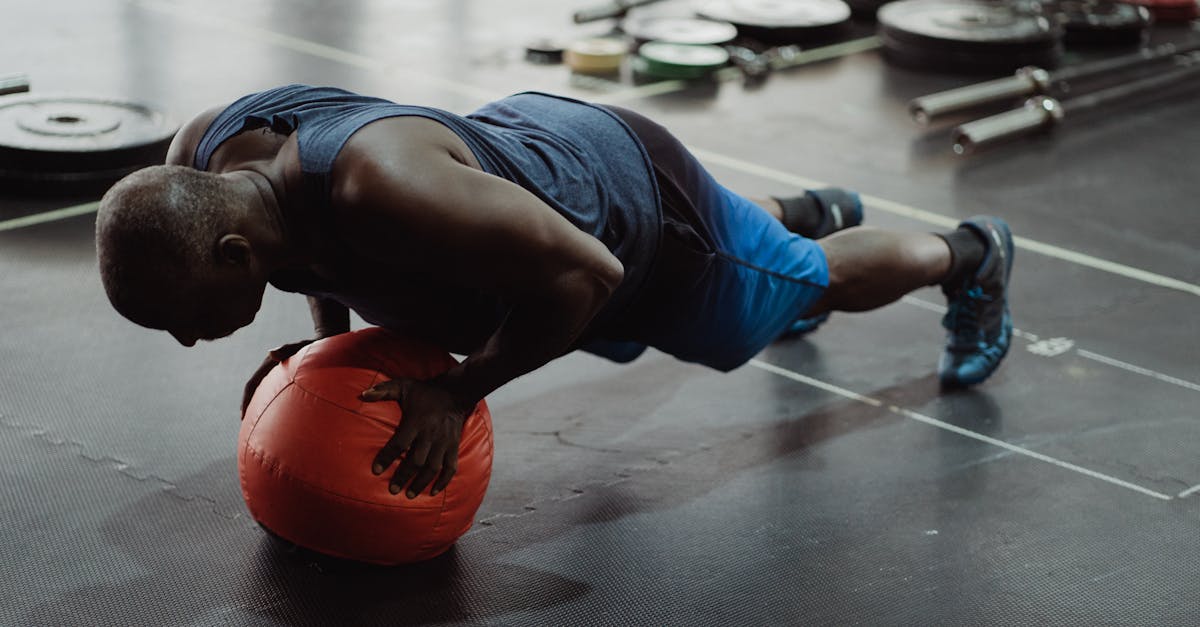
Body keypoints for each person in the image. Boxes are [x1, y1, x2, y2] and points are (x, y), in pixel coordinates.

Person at [95, 84, 1013, 501]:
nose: (187, 341)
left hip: (635, 215)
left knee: (798, 288)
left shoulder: (381, 191)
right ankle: (799, 210)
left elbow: (589, 276)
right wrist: (324, 348)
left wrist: (459, 394)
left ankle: (969, 255)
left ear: (227, 252)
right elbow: (316, 253)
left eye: (181, 318)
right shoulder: (210, 153)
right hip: (532, 168)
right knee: (736, 251)